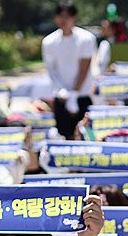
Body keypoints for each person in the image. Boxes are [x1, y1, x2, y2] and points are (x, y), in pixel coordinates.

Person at [43, 3, 97, 139]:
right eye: (60, 16)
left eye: (67, 16)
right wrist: (62, 91)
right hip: (61, 97)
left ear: (74, 18)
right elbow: (51, 70)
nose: (63, 20)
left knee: (86, 136)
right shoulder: (48, 41)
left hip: (81, 96)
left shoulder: (86, 39)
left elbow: (84, 69)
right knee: (65, 136)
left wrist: (73, 94)